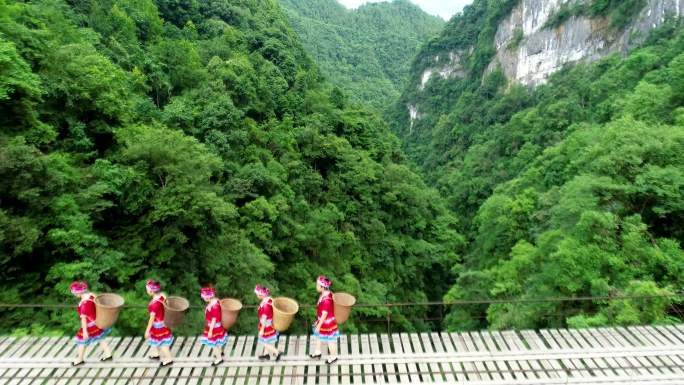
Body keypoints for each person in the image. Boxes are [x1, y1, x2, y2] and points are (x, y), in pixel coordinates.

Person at [70, 281, 113, 366]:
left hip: (89, 325)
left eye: (75, 293)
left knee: (82, 341)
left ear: (78, 293)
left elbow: (83, 319)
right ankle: (109, 355)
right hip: (96, 321)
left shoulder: (84, 304)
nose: (75, 295)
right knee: (100, 338)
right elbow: (99, 302)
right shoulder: (91, 295)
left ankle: (80, 359)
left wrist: (85, 331)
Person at [309, 275, 339, 364]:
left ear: (322, 287)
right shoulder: (325, 293)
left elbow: (324, 314)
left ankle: (334, 357)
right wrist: (318, 321)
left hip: (327, 323)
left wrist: (319, 325)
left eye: (317, 285)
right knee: (319, 336)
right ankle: (318, 352)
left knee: (330, 341)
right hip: (323, 321)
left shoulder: (326, 300)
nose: (316, 286)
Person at [144, 280, 174, 367]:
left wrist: (147, 330)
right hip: (163, 322)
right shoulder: (162, 296)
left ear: (151, 291)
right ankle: (157, 354)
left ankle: (169, 359)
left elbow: (152, 318)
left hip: (158, 325)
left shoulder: (154, 304)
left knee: (162, 342)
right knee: (156, 339)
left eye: (147, 290)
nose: (147, 291)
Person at [199, 287, 227, 366]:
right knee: (217, 340)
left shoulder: (214, 306)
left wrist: (210, 331)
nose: (203, 299)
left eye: (204, 297)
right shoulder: (215, 301)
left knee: (213, 343)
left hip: (214, 327)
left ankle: (219, 359)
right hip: (216, 326)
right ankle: (220, 352)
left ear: (209, 297)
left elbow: (214, 319)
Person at [255, 285, 281, 361]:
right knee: (268, 340)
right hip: (270, 324)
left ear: (261, 295)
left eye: (257, 294)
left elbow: (264, 318)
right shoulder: (269, 300)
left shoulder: (265, 305)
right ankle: (266, 354)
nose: (256, 295)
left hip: (266, 325)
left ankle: (277, 352)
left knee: (264, 342)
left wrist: (262, 330)